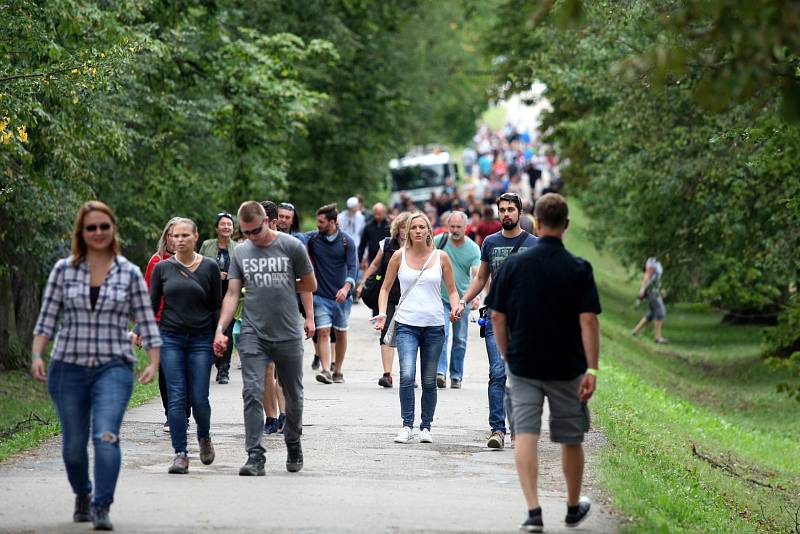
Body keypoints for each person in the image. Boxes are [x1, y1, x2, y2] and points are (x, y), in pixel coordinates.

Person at [31, 201, 160, 531]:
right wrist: (36, 355)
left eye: (104, 226)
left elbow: (146, 320)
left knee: (105, 436)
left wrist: (153, 362)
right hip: (67, 367)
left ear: (113, 229)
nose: (98, 232)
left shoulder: (128, 272)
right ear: (81, 232)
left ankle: (102, 505)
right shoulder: (64, 270)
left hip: (113, 367)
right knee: (74, 446)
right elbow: (47, 318)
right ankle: (83, 494)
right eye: (91, 227)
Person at [486, 193, 599, 531]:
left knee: (525, 435)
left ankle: (534, 512)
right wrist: (592, 368)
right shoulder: (579, 268)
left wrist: (508, 355)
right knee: (570, 437)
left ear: (532, 221)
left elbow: (497, 317)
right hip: (568, 367)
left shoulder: (515, 265)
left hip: (524, 364)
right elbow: (589, 321)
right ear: (566, 225)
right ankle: (571, 506)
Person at [214, 201, 316, 476]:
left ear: (267, 222)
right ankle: (255, 454)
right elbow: (232, 293)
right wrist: (220, 328)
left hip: (288, 333)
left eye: (255, 231)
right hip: (253, 333)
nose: (251, 237)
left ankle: (293, 441)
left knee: (293, 394)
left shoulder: (291, 247)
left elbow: (310, 284)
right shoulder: (242, 252)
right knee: (251, 391)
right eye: (245, 232)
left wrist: (308, 316)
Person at [373, 212, 460, 444]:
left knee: (429, 379)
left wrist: (455, 307)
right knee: (407, 375)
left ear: (429, 231)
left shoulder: (441, 257)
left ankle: (426, 427)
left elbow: (451, 290)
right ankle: (406, 425)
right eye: (414, 228)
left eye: (422, 227)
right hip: (406, 324)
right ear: (408, 231)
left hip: (433, 325)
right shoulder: (399, 256)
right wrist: (382, 313)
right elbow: (385, 288)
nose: (418, 231)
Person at [459, 192, 537, 450]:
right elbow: (481, 279)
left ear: (519, 213)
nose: (506, 214)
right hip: (495, 316)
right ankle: (497, 429)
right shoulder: (490, 243)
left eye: (510, 210)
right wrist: (463, 300)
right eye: (502, 210)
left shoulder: (535, 245)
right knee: (497, 372)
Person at [149, 218, 221, 474]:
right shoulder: (162, 268)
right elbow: (152, 304)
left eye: (184, 236)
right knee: (177, 397)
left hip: (201, 339)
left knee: (200, 398)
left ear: (195, 237)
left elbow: (216, 307)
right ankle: (180, 453)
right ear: (169, 239)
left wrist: (218, 336)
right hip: (171, 339)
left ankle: (204, 436)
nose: (179, 240)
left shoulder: (209, 267)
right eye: (174, 236)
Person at [141, 217, 189, 433]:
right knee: (165, 370)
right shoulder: (156, 261)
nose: (173, 239)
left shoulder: (192, 261)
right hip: (160, 323)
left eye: (178, 234)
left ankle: (184, 415)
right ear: (166, 237)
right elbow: (147, 296)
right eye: (170, 235)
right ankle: (171, 414)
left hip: (186, 322)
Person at [356, 211, 412, 387]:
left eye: (407, 227)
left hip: (410, 296)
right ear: (397, 228)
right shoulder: (387, 244)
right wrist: (363, 282)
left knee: (409, 333)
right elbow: (374, 264)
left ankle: (409, 374)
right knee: (386, 330)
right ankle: (387, 374)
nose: (405, 231)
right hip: (388, 293)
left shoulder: (418, 246)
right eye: (402, 227)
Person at [307, 203, 358, 384]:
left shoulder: (346, 242)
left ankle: (338, 370)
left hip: (342, 299)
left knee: (341, 332)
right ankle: (325, 370)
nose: (318, 225)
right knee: (323, 331)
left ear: (333, 222)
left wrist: (346, 288)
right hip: (320, 296)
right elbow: (293, 240)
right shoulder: (313, 239)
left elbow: (353, 268)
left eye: (321, 222)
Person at [434, 211, 481, 389]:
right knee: (442, 334)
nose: (454, 230)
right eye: (451, 226)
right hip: (441, 297)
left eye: (458, 227)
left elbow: (477, 274)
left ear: (466, 227)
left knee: (460, 338)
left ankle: (456, 375)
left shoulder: (473, 248)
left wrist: (475, 296)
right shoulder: (440, 241)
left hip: (462, 300)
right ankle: (440, 372)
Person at [199, 212, 239, 385]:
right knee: (210, 329)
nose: (226, 227)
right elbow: (198, 266)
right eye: (223, 224)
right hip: (209, 294)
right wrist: (216, 275)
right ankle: (213, 362)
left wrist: (229, 276)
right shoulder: (207, 245)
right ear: (217, 228)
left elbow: (242, 271)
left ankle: (224, 370)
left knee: (227, 330)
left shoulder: (238, 248)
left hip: (230, 293)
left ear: (233, 228)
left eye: (229, 225)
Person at [631, 257, 667, 343]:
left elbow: (655, 278)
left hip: (655, 290)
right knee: (660, 312)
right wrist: (642, 289)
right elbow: (647, 275)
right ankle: (657, 337)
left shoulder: (657, 261)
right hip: (651, 291)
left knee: (652, 313)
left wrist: (661, 289)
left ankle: (635, 331)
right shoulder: (652, 261)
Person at [358, 202, 390, 271]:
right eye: (375, 214)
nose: (376, 216)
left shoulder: (389, 226)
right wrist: (359, 260)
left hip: (385, 258)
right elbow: (362, 245)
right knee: (373, 278)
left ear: (384, 213)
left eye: (379, 214)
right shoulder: (368, 226)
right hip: (372, 258)